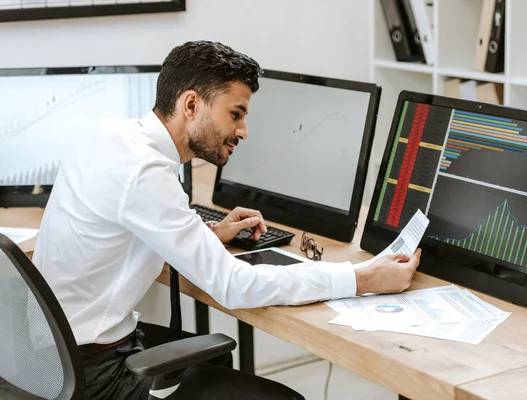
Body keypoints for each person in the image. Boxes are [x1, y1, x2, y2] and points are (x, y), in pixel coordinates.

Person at [32, 40, 422, 400]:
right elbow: (235, 286)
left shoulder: (110, 136)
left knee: (214, 360)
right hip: (93, 375)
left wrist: (206, 235)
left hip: (51, 357)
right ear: (191, 105)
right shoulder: (145, 172)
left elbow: (123, 228)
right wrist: (364, 278)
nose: (244, 131)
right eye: (235, 114)